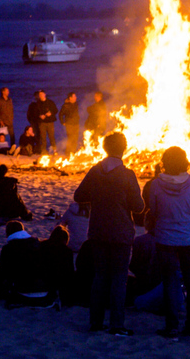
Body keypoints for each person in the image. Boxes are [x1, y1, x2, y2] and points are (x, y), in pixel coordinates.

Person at [73, 132, 144, 336]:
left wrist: (98, 196)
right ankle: (117, 324)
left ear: (105, 148)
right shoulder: (127, 174)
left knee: (100, 276)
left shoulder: (95, 171)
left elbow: (79, 196)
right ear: (124, 148)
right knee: (119, 279)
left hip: (98, 231)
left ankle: (96, 322)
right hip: (121, 232)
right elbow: (138, 207)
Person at [148, 146, 190, 339]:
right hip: (189, 238)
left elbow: (153, 211)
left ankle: (172, 327)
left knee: (170, 282)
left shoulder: (155, 185)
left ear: (165, 162)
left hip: (165, 239)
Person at [26, 90, 57, 154]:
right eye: (39, 95)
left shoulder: (50, 102)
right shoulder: (37, 104)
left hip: (50, 122)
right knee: (43, 137)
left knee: (51, 137)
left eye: (42, 94)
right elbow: (34, 113)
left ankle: (54, 150)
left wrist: (50, 113)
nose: (41, 96)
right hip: (42, 123)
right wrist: (39, 116)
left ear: (45, 94)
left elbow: (55, 110)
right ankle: (43, 151)